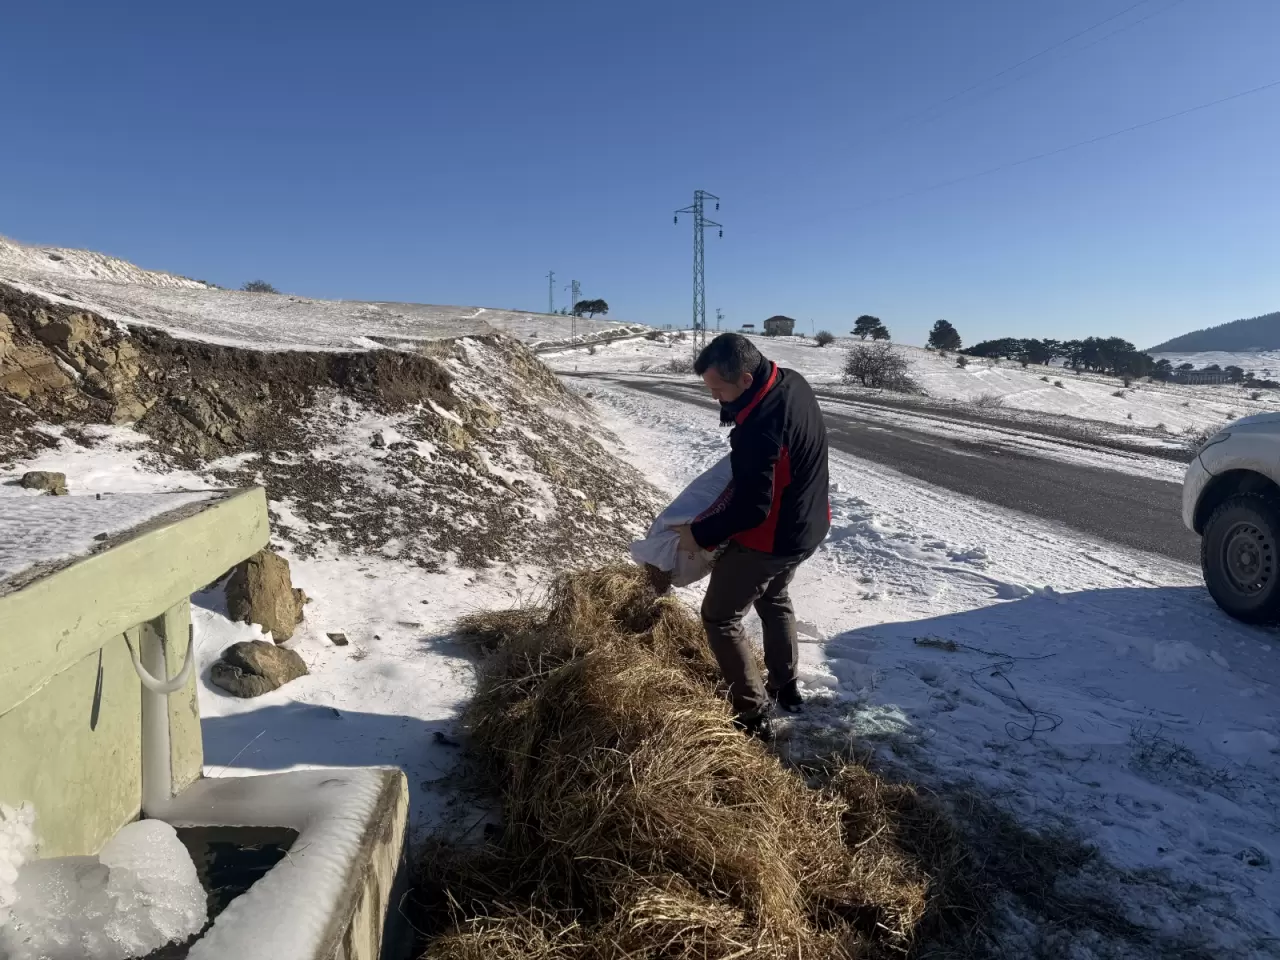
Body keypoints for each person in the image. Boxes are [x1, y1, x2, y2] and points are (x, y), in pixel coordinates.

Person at [674, 333, 830, 741]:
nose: (714, 398)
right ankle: (785, 685)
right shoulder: (791, 381)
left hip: (773, 538)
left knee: (720, 616)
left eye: (718, 389)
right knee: (774, 597)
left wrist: (699, 535)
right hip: (810, 523)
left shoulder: (759, 429)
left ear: (746, 378)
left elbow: (751, 509)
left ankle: (752, 713)